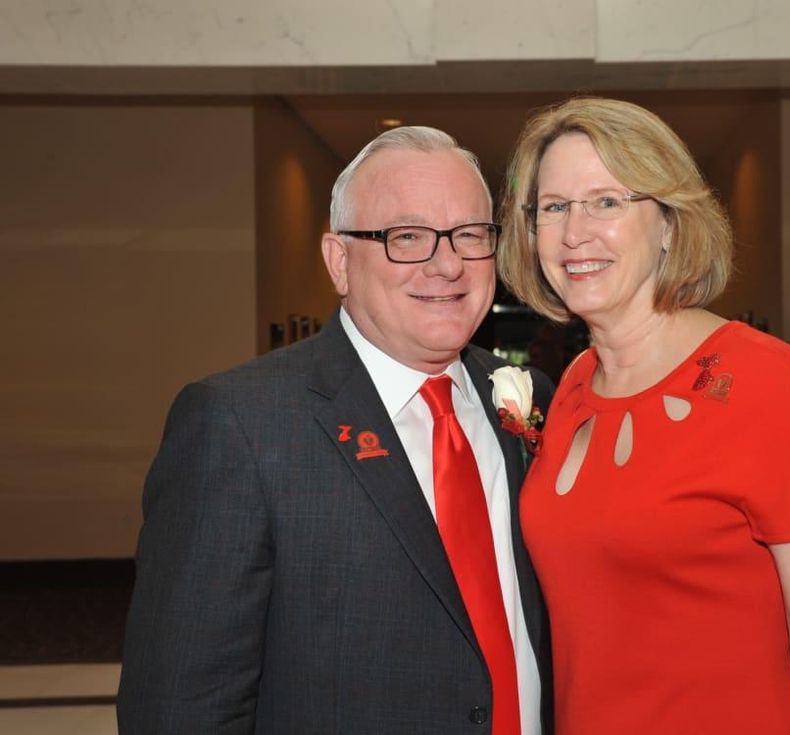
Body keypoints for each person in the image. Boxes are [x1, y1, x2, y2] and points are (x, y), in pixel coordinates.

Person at [118, 126, 554, 734]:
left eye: (471, 235)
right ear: (339, 260)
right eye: (407, 237)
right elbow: (180, 707)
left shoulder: (533, 398)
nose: (448, 263)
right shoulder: (240, 424)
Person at [497, 98, 790, 734]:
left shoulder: (766, 382)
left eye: (607, 202)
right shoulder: (571, 389)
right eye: (554, 207)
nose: (574, 232)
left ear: (670, 222)